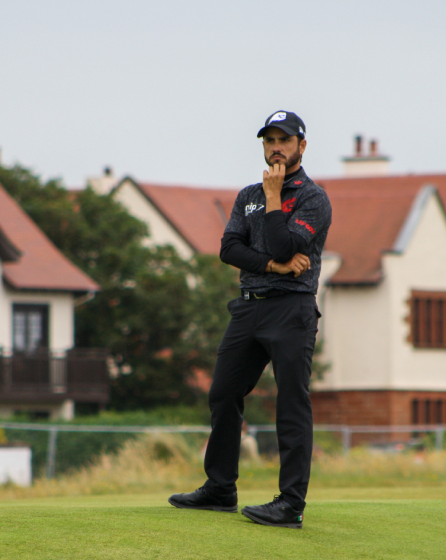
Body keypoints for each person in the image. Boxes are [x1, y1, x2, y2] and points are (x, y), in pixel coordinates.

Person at [169, 110, 332, 529]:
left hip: (291, 309)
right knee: (223, 393)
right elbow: (229, 249)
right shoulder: (247, 195)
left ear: (302, 146)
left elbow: (283, 243)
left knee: (292, 403)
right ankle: (220, 488)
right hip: (250, 305)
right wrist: (273, 268)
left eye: (284, 139)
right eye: (269, 140)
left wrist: (275, 197)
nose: (276, 147)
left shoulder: (313, 198)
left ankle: (290, 504)